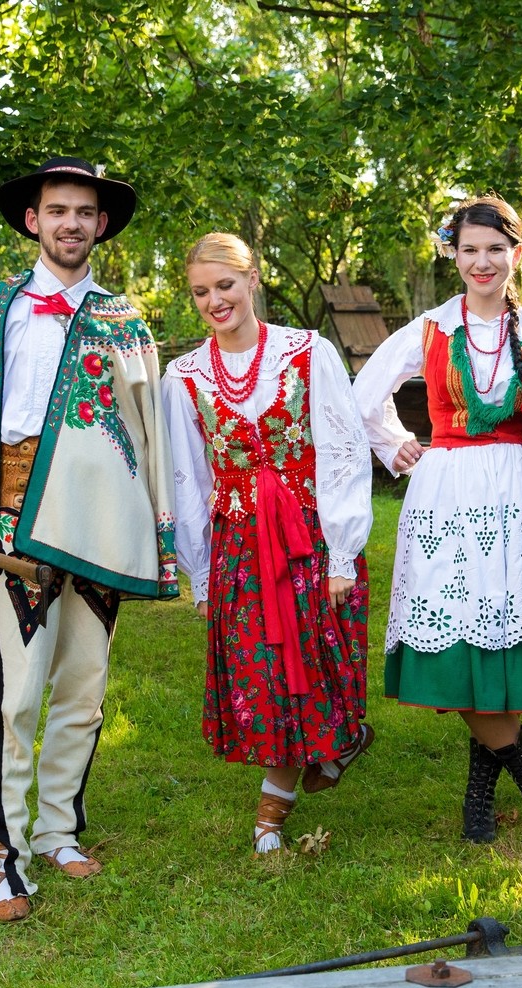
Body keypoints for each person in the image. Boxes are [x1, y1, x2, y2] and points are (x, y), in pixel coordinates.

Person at [0, 157, 177, 922]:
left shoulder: (124, 319)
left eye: (84, 212)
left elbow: (148, 430)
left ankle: (58, 830)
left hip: (101, 523)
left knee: (83, 690)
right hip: (14, 520)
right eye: (57, 210)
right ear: (33, 221)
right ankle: (4, 861)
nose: (71, 223)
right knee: (15, 695)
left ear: (102, 225)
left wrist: (154, 531)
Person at [353, 195, 522, 847]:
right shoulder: (431, 329)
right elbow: (362, 396)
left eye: (495, 249)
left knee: (499, 647)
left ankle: (478, 797)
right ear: (453, 255)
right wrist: (394, 445)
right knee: (458, 642)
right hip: (449, 495)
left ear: (516, 253)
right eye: (469, 250)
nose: (482, 262)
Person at [163, 233, 374, 852]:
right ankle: (277, 804)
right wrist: (200, 571)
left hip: (308, 535)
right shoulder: (184, 376)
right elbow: (188, 476)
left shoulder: (308, 353)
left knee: (320, 659)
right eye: (200, 292)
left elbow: (342, 448)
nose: (214, 301)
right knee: (266, 669)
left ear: (252, 279)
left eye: (225, 285)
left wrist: (342, 552)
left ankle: (337, 742)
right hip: (240, 545)